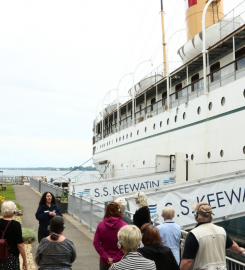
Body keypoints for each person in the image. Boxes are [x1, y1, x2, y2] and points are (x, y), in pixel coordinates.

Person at [180, 202, 245, 270]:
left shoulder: (194, 234)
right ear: (211, 216)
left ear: (196, 216)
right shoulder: (221, 231)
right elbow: (232, 245)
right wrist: (239, 250)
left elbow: (187, 261)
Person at [93, 202, 127, 270]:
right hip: (120, 261)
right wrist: (116, 258)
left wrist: (107, 257)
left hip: (104, 261)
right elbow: (126, 245)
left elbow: (96, 243)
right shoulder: (124, 226)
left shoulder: (100, 225)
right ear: (119, 211)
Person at [0, 201, 28, 270]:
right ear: (13, 212)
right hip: (11, 258)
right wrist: (24, 260)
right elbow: (20, 245)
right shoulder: (16, 225)